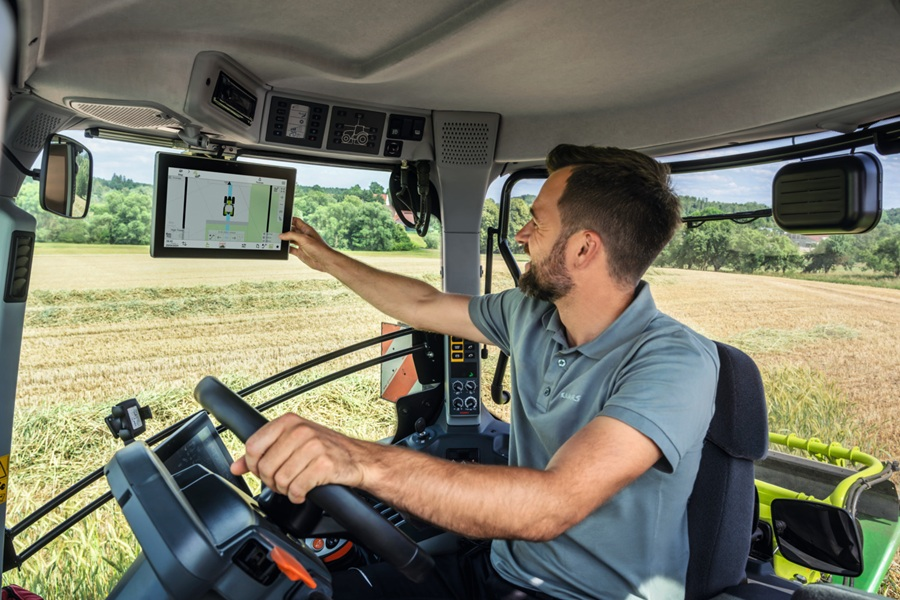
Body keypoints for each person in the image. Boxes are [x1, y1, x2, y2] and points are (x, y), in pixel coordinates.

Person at [230, 145, 719, 600]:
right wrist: (328, 260)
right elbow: (424, 304)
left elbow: (552, 505)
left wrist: (358, 460)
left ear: (583, 249)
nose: (521, 235)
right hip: (499, 566)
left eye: (537, 223)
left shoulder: (675, 363)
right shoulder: (531, 313)